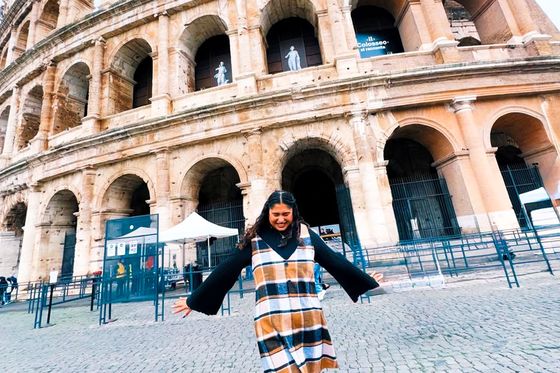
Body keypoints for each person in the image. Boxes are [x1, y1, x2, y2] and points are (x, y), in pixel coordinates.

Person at [173, 190, 381, 372]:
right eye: (276, 214)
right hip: (271, 321)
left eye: (285, 214)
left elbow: (335, 261)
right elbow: (226, 270)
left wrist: (367, 281)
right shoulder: (254, 240)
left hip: (307, 318)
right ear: (267, 213)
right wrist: (194, 300)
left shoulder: (307, 235)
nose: (281, 219)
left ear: (293, 213)